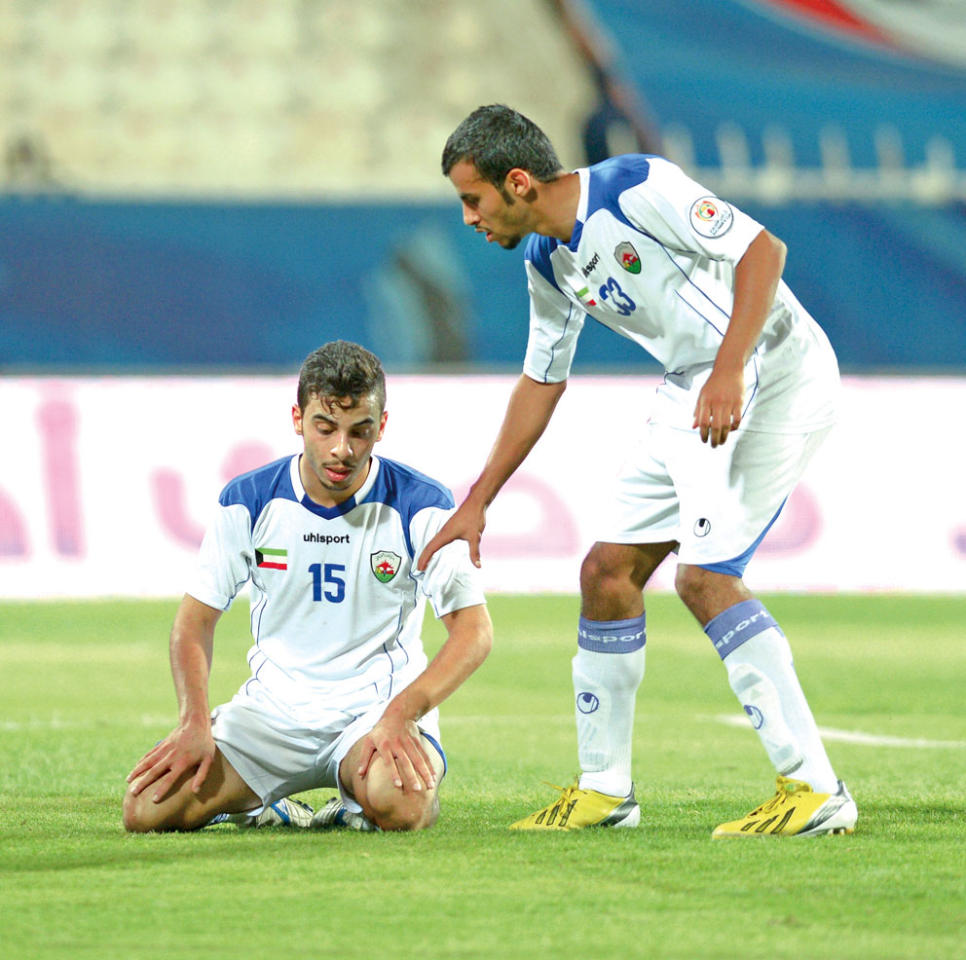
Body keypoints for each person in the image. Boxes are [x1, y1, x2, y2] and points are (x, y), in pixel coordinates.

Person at [419, 104, 856, 837]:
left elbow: (763, 251)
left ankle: (816, 790)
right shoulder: (547, 261)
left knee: (705, 578)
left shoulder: (636, 187)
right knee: (607, 573)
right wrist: (478, 501)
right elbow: (541, 380)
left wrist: (729, 369)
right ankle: (605, 791)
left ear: (518, 182)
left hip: (774, 370)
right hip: (694, 383)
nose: (469, 218)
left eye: (473, 198)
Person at [124, 340, 492, 833]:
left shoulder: (421, 505)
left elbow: (474, 632)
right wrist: (193, 723)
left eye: (360, 431)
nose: (343, 449)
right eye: (326, 428)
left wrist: (404, 713)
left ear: (381, 426)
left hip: (375, 715)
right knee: (146, 810)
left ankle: (357, 802)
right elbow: (194, 623)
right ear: (297, 419)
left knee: (403, 806)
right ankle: (255, 803)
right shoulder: (249, 500)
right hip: (270, 718)